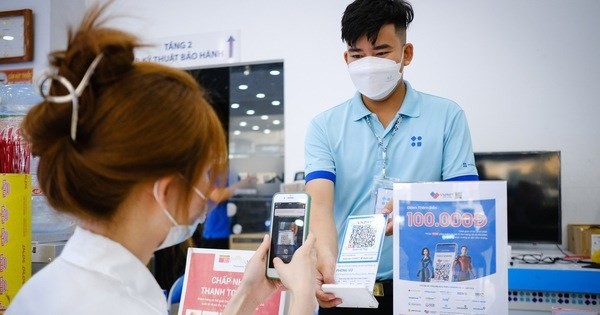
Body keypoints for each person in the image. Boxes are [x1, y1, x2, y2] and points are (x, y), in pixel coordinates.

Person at [6, 4, 317, 315]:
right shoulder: (119, 304)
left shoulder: (54, 287)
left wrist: (248, 295)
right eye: (205, 173)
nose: (207, 194)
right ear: (166, 192)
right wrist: (303, 296)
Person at [304, 0, 479, 313]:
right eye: (357, 56)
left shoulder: (446, 116)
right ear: (346, 58)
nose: (369, 64)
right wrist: (325, 262)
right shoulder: (324, 127)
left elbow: (466, 202)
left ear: (406, 53)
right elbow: (320, 204)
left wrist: (415, 205)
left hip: (425, 291)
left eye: (382, 52)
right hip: (348, 293)